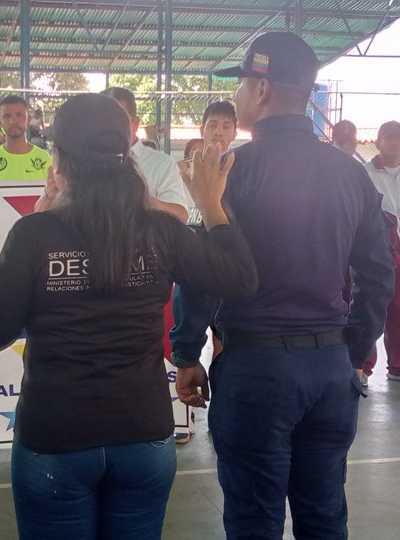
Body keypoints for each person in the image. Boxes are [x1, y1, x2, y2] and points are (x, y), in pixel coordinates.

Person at [0, 92, 257, 540]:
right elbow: (240, 278)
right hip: (143, 432)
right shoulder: (161, 231)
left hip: (55, 436)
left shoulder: (34, 234)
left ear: (58, 158)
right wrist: (211, 204)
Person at [171, 33, 395, 538]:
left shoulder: (232, 173)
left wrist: (187, 352)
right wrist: (352, 348)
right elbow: (378, 273)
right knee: (323, 515)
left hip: (257, 372)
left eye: (244, 83)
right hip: (330, 372)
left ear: (264, 88)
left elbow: (206, 272)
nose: (238, 96)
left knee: (254, 519)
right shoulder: (349, 173)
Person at [169, 101, 240, 443]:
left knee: (227, 345)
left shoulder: (242, 170)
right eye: (213, 124)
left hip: (230, 271)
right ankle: (182, 421)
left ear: (235, 132)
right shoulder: (180, 170)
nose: (219, 131)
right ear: (203, 128)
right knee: (185, 346)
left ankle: (224, 417)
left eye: (227, 125)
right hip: (192, 271)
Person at [359, 121, 400, 387]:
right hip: (374, 253)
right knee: (369, 307)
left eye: (399, 138)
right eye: (388, 138)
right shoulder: (364, 174)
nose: (395, 143)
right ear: (378, 143)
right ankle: (362, 366)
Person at [101, 87, 191, 222]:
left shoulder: (161, 164)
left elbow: (180, 216)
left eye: (118, 120)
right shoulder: (84, 161)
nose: (110, 128)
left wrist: (144, 201)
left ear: (135, 123)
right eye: (103, 121)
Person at [0, 95, 50, 182]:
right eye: (7, 116)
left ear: (28, 119)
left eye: (19, 115)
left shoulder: (45, 159)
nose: (13, 121)